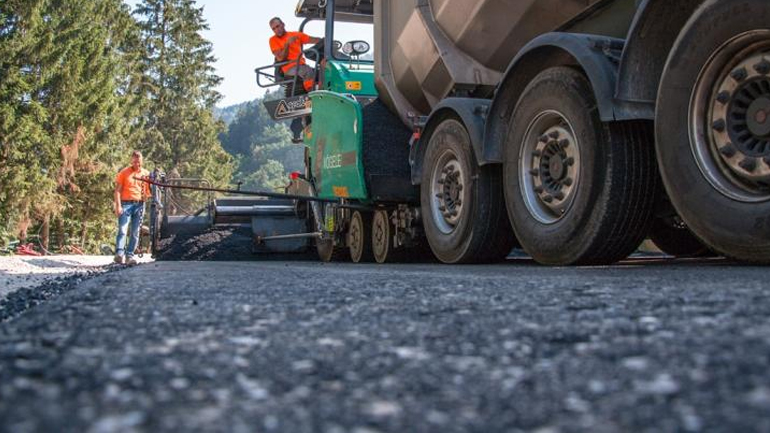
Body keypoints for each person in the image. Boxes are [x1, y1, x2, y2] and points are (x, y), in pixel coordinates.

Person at [113, 150, 150, 265]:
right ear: (131, 160)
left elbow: (148, 192)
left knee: (135, 232)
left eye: (138, 161)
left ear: (141, 161)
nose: (136, 164)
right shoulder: (124, 173)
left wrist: (145, 197)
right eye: (134, 161)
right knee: (123, 230)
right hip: (126, 204)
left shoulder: (146, 174)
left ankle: (129, 255)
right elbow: (117, 191)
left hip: (139, 205)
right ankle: (119, 254)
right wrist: (118, 206)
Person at [268, 17, 321, 93]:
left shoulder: (295, 35)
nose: (277, 30)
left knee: (321, 72)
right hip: (289, 68)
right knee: (307, 71)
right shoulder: (273, 40)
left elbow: (312, 39)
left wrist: (324, 40)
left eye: (278, 26)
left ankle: (323, 90)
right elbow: (280, 58)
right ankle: (311, 92)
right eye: (273, 29)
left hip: (301, 65)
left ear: (283, 24)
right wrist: (287, 44)